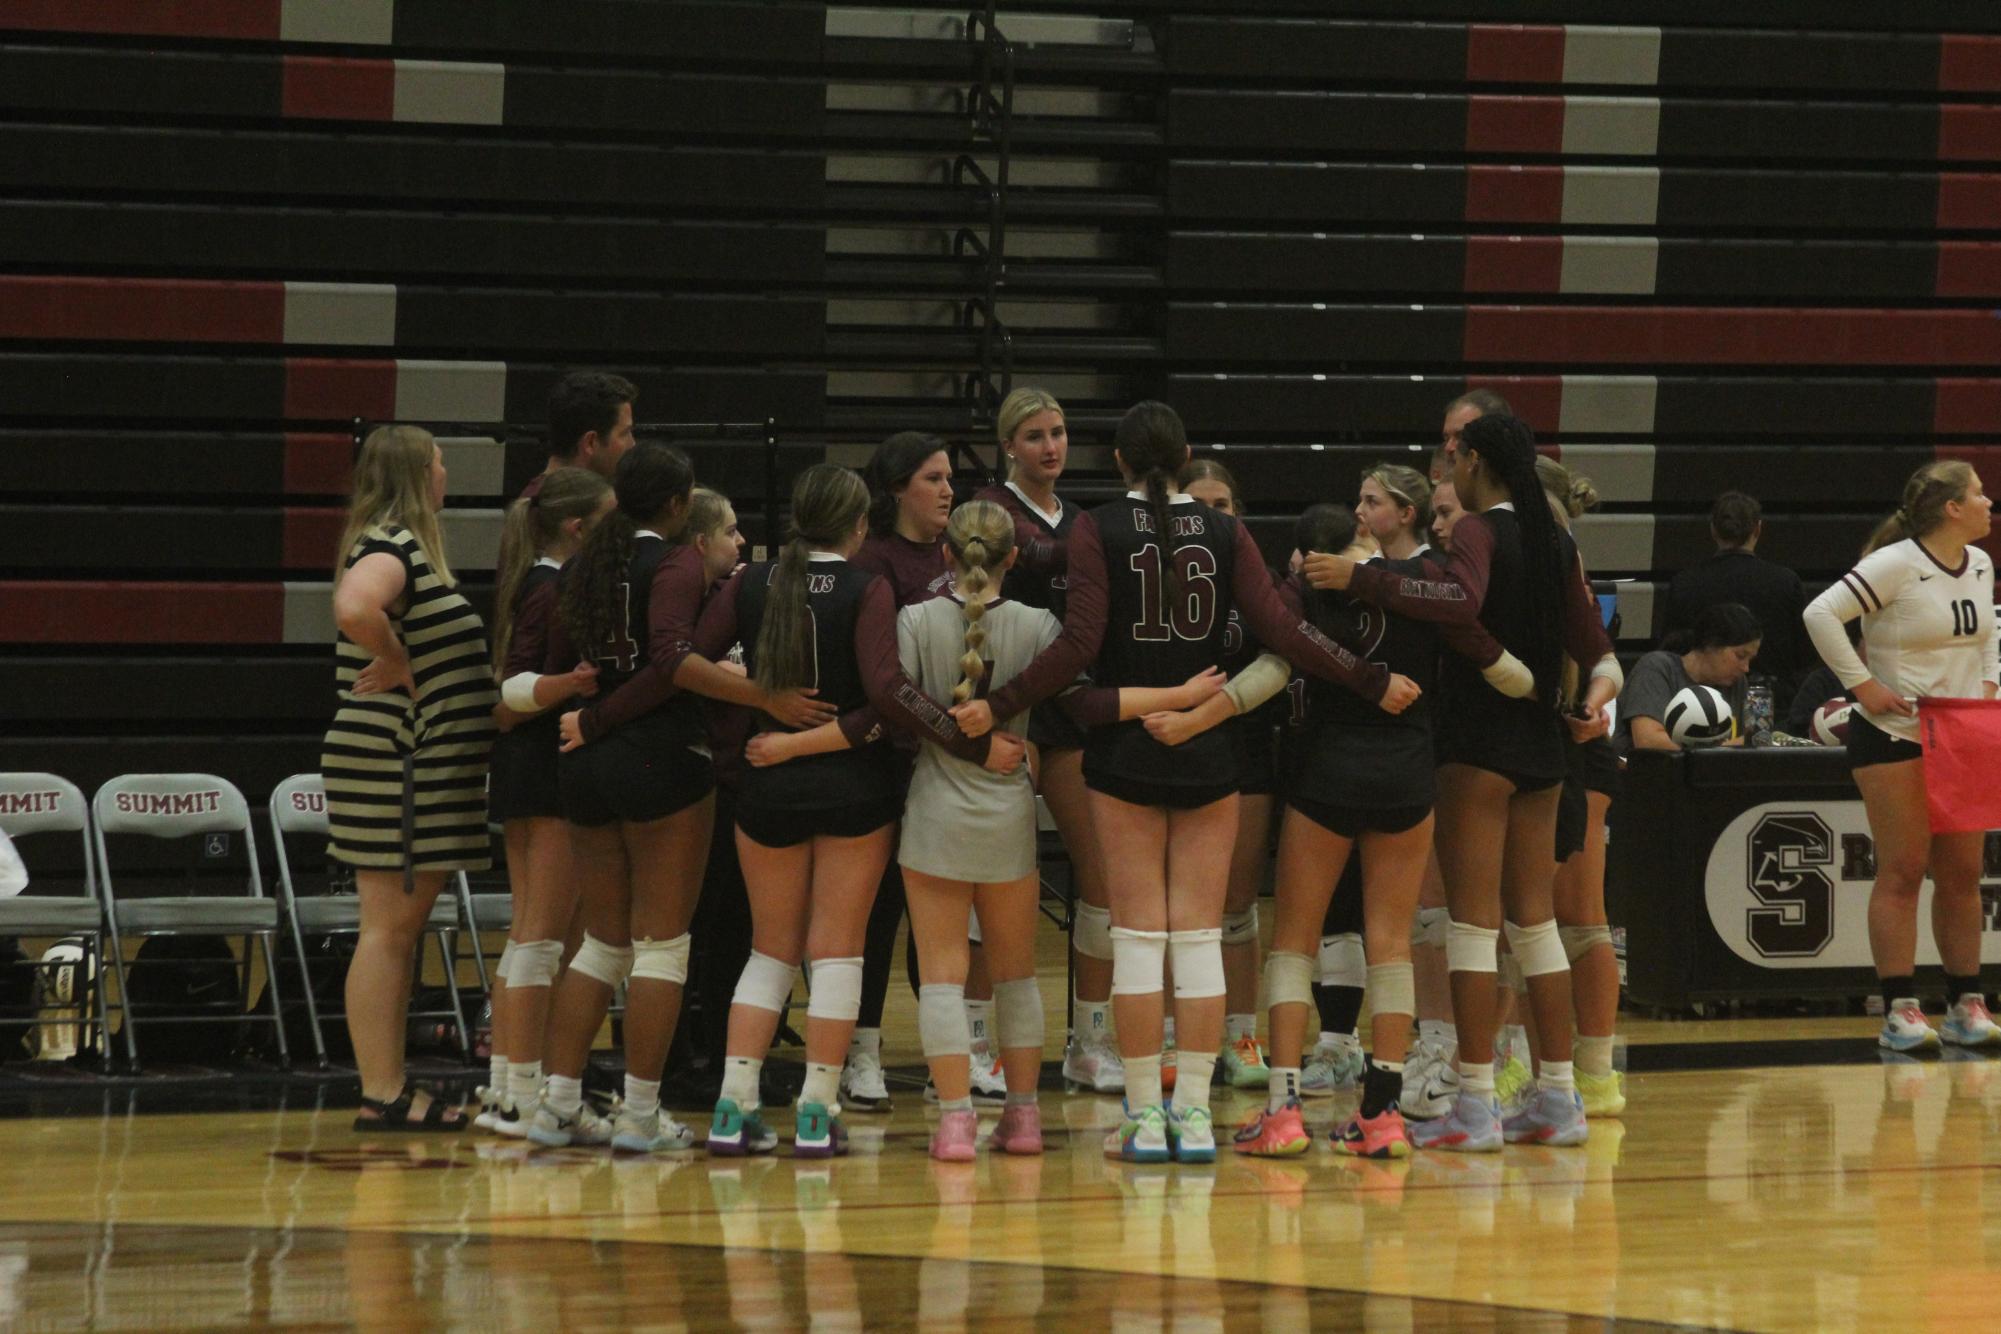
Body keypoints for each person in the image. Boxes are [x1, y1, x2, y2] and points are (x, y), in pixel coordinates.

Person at [953, 401, 1422, 1165]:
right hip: (1211, 754)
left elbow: (1075, 648)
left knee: (1138, 940)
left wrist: (998, 703)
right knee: (1201, 939)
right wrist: (1368, 678)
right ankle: (1197, 1117)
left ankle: (1143, 1118)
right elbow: (1286, 632)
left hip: (1123, 752)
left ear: (1117, 464)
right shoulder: (1227, 530)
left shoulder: (1094, 527)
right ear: (1187, 456)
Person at [1306, 412, 1622, 1151]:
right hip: (1543, 746)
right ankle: (1557, 1097)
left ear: (1478, 463)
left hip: (1478, 743)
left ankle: (1475, 1102)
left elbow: (1456, 602)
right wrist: (1597, 697)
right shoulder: (1557, 541)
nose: (1447, 477)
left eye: (1452, 463)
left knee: (1474, 928)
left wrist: (1362, 577)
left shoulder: (1481, 530)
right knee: (1536, 925)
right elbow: (1599, 649)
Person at [698, 465, 1018, 1157]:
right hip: (853, 789)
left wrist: (766, 709)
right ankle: (816, 1111)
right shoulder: (867, 586)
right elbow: (887, 695)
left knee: (768, 953)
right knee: (838, 953)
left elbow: (691, 664)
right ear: (859, 526)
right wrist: (970, 742)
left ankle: (732, 1107)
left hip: (766, 787)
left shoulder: (750, 581)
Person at [531, 445, 832, 1153]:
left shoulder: (582, 566)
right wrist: (764, 695)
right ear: (674, 507)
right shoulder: (673, 563)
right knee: (662, 947)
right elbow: (672, 661)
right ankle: (639, 1114)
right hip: (660, 762)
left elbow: (562, 665)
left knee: (600, 944)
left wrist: (594, 714)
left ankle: (557, 1104)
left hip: (584, 764)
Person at [323, 425, 497, 1131]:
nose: (447, 471)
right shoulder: (390, 544)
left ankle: (389, 1086)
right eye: (440, 460)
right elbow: (354, 606)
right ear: (419, 475)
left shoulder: (400, 545)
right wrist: (394, 659)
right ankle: (382, 1091)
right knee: (387, 932)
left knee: (397, 931)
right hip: (400, 760)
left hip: (416, 763)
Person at [1804, 460, 2001, 1051]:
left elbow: (1988, 633)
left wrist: (1988, 691)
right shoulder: (1896, 564)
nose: (1990, 502)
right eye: (1979, 493)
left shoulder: (1982, 563)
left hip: (1961, 735)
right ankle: (1900, 1010)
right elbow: (1820, 614)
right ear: (1951, 509)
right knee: (1904, 867)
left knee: (1965, 875)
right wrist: (1863, 685)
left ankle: (1967, 1004)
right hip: (1893, 734)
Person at [893, 500, 1059, 1160]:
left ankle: (956, 1121)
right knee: (1016, 977)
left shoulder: (914, 619)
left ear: (945, 556)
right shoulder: (1040, 625)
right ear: (1012, 559)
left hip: (934, 812)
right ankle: (1022, 1119)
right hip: (1007, 816)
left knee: (941, 977)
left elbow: (900, 710)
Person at [973, 389, 1125, 1095]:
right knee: (993, 884)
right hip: (1000, 712)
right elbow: (1035, 555)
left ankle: (1089, 1040)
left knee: (1101, 882)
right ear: (1008, 446)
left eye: (1059, 433)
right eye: (1034, 435)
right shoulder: (991, 511)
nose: (1050, 447)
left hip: (1068, 713)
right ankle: (979, 1042)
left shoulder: (1085, 518)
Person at [478, 466, 612, 1134]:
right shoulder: (554, 587)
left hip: (527, 770)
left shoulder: (537, 582)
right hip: (544, 770)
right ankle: (525, 1096)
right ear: (577, 526)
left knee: (533, 934)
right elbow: (509, 693)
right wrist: (574, 682)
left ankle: (506, 1091)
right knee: (541, 938)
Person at [842, 432, 959, 1110]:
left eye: (948, 477)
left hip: (951, 768)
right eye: (932, 478)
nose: (947, 489)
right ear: (895, 489)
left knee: (947, 917)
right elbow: (877, 678)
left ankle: (959, 1048)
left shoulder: (957, 555)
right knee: (878, 915)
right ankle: (863, 1053)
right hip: (889, 760)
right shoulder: (872, 563)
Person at [1178, 458, 1280, 1093]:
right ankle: (1170, 1033)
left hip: (1244, 750)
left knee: (1237, 906)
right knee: (1179, 910)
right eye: (1201, 505)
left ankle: (1242, 1033)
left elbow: (1281, 653)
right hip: (1175, 748)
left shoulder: (1258, 582)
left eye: (1224, 504)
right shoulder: (1155, 576)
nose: (1214, 515)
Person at [1538, 457, 1626, 1118]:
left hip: (1577, 750)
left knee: (1572, 912)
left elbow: (1603, 664)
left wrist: (1591, 710)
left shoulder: (1561, 572)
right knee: (1541, 914)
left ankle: (1590, 1069)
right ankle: (1548, 1066)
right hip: (1553, 745)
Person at [1662, 491, 1816, 711]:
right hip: (1771, 705)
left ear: (1713, 530)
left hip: (1700, 706)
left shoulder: (1684, 583)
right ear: (1758, 529)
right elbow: (1805, 658)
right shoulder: (1785, 582)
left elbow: (1672, 653)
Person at [1614, 603, 1762, 755]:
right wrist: (1721, 751)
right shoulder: (1657, 669)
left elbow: (1751, 739)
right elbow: (1648, 741)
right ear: (1710, 644)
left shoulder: (1737, 682)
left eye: (1750, 659)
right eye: (1740, 656)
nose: (1746, 668)